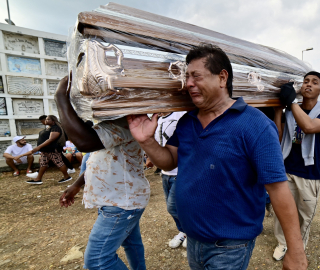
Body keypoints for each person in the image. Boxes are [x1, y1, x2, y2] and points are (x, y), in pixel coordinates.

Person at [127, 44, 307, 270]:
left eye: (196, 76)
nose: (189, 83)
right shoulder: (187, 122)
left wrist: (296, 250)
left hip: (230, 246)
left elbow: (278, 189)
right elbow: (170, 160)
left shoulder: (256, 125)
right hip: (193, 239)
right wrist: (146, 141)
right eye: (187, 77)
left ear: (222, 78)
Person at [55, 75, 149, 270]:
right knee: (131, 244)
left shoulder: (126, 121)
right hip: (121, 199)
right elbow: (98, 159)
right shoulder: (108, 124)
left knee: (98, 261)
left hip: (121, 203)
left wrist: (60, 98)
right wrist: (77, 185)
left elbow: (85, 143)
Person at [272, 71, 320, 260]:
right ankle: (282, 243)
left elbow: (309, 127)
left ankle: (298, 246)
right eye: (306, 81)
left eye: (314, 82)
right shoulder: (290, 110)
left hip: (308, 173)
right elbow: (279, 136)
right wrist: (277, 109)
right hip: (287, 169)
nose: (309, 84)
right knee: (281, 212)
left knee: (304, 215)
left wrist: (290, 103)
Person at [154, 111, 187, 249]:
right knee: (172, 207)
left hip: (180, 171)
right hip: (165, 172)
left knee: (172, 207)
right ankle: (184, 231)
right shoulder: (156, 119)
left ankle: (190, 232)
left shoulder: (181, 114)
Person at [19, 115, 72, 185]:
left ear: (53, 121)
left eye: (48, 119)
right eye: (46, 119)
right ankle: (38, 179)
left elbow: (51, 139)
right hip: (46, 150)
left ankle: (66, 176)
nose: (46, 121)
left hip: (52, 149)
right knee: (43, 164)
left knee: (59, 163)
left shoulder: (56, 128)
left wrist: (39, 147)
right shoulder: (49, 128)